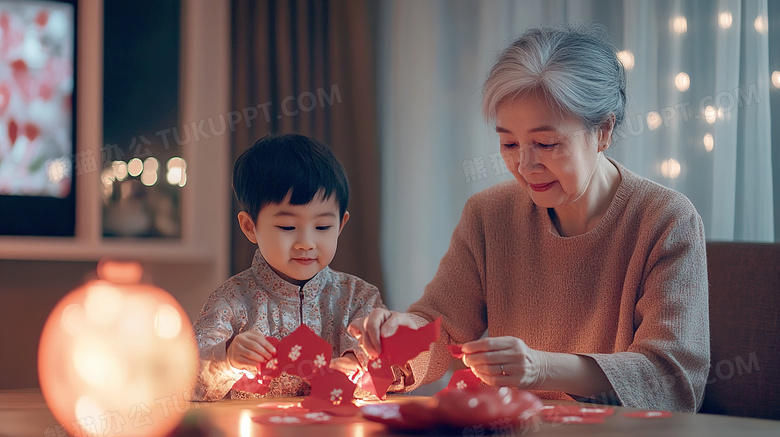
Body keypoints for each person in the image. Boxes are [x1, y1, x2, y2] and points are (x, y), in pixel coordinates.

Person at [348, 25, 709, 412]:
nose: (524, 164)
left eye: (546, 143)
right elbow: (442, 329)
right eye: (508, 143)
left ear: (603, 131)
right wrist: (404, 339)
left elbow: (672, 379)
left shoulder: (665, 220)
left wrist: (541, 368)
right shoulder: (488, 215)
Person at [192, 134, 384, 401]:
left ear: (341, 225)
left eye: (322, 227)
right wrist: (227, 358)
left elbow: (390, 370)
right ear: (250, 227)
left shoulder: (358, 298)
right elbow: (185, 381)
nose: (306, 243)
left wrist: (359, 366)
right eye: (287, 227)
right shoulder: (231, 301)